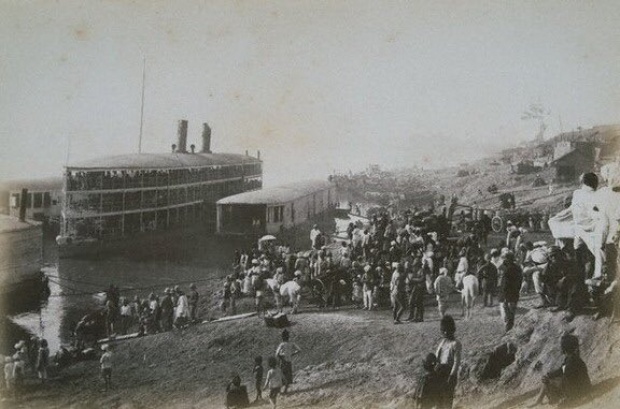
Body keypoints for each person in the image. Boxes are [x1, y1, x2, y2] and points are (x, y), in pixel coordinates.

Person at [530, 334, 591, 407]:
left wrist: (549, 377)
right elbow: (562, 369)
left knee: (548, 380)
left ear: (564, 348)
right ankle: (539, 400)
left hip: (579, 391)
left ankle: (542, 400)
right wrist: (551, 375)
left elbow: (563, 372)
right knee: (550, 378)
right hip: (585, 387)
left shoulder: (571, 360)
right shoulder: (573, 358)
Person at [435, 316, 462, 409]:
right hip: (439, 373)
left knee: (447, 398)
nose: (446, 332)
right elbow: (437, 357)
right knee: (438, 398)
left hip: (449, 373)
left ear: (453, 330)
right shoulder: (442, 342)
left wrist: (452, 375)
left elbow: (456, 361)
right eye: (444, 330)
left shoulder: (456, 343)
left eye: (448, 330)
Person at [497, 251, 523, 332]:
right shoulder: (517, 268)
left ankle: (507, 331)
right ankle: (509, 330)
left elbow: (504, 283)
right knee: (511, 315)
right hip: (514, 294)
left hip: (506, 294)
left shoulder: (506, 269)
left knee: (506, 316)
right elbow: (519, 282)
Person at [275, 329, 301, 394]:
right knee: (288, 377)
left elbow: (277, 354)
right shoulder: (291, 343)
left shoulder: (282, 344)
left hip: (283, 362)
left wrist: (281, 356)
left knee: (281, 376)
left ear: (282, 337)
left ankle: (280, 391)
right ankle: (285, 390)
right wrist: (292, 354)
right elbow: (299, 350)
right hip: (289, 362)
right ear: (288, 336)